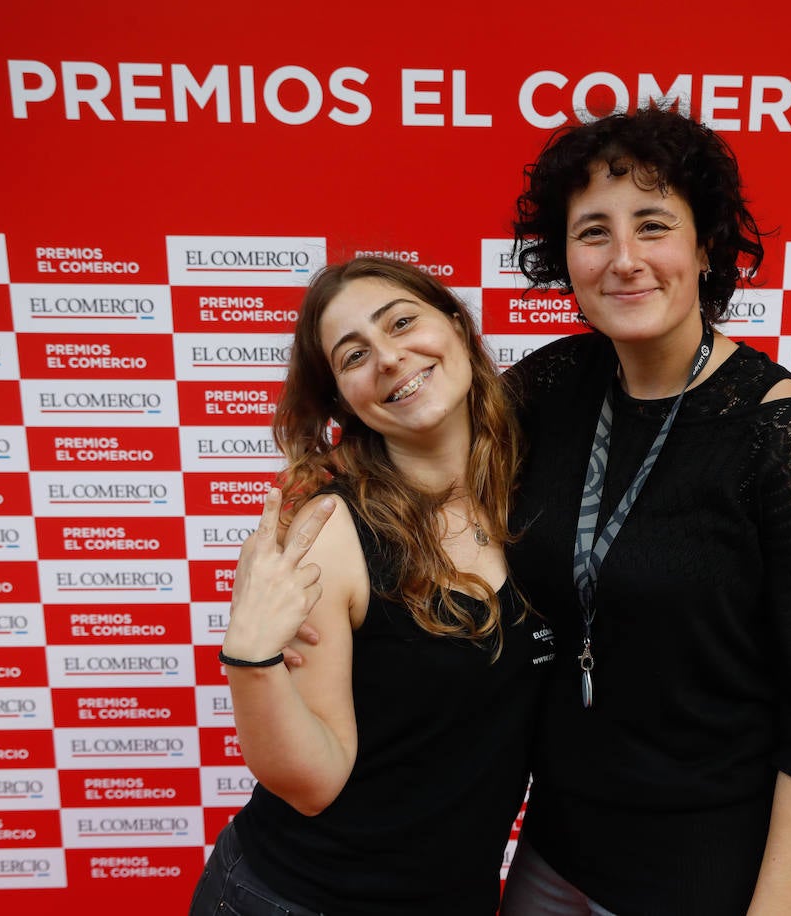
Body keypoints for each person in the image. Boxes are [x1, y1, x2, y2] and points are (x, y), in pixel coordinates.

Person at [497, 106, 791, 915]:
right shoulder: (550, 388)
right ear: (563, 256)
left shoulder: (782, 432)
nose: (625, 260)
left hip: (714, 879)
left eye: (653, 224)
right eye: (594, 232)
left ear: (705, 246)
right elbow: (418, 474)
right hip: (555, 858)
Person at [188, 256, 554, 916]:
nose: (389, 358)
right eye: (354, 355)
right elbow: (314, 782)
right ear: (340, 399)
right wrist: (250, 659)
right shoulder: (332, 530)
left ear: (456, 326)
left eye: (402, 322)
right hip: (299, 900)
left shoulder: (534, 489)